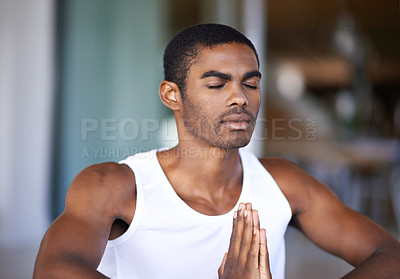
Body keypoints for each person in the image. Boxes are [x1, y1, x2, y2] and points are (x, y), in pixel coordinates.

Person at [34, 23, 400, 279]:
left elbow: (390, 255)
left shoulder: (282, 181)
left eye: (250, 83)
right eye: (216, 83)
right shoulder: (113, 186)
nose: (240, 96)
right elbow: (52, 270)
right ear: (171, 95)